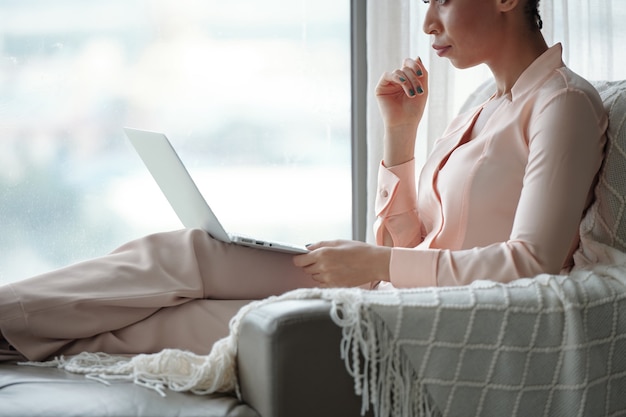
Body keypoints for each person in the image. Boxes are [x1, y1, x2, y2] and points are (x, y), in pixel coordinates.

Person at [0, 0, 607, 362]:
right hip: (391, 287)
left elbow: (534, 263)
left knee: (156, 328)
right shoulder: (482, 100)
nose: (427, 21)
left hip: (428, 316)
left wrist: (378, 264)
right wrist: (401, 136)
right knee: (187, 250)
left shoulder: (563, 105)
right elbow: (404, 243)